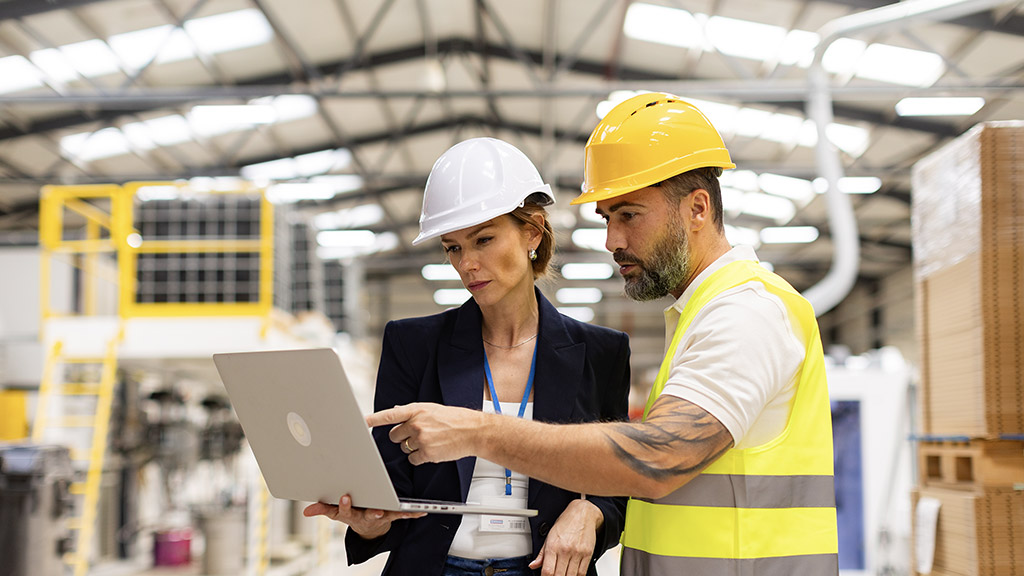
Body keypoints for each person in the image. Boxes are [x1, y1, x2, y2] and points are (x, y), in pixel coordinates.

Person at [366, 93, 840, 575]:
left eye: (629, 215)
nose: (612, 241)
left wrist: (479, 431)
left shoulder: (745, 313)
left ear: (698, 209)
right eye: (608, 219)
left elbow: (658, 455)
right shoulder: (699, 315)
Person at [304, 137, 631, 576]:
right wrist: (369, 524)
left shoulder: (601, 352)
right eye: (454, 247)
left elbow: (618, 484)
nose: (467, 264)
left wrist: (591, 513)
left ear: (532, 232)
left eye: (484, 239)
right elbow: (390, 488)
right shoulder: (412, 345)